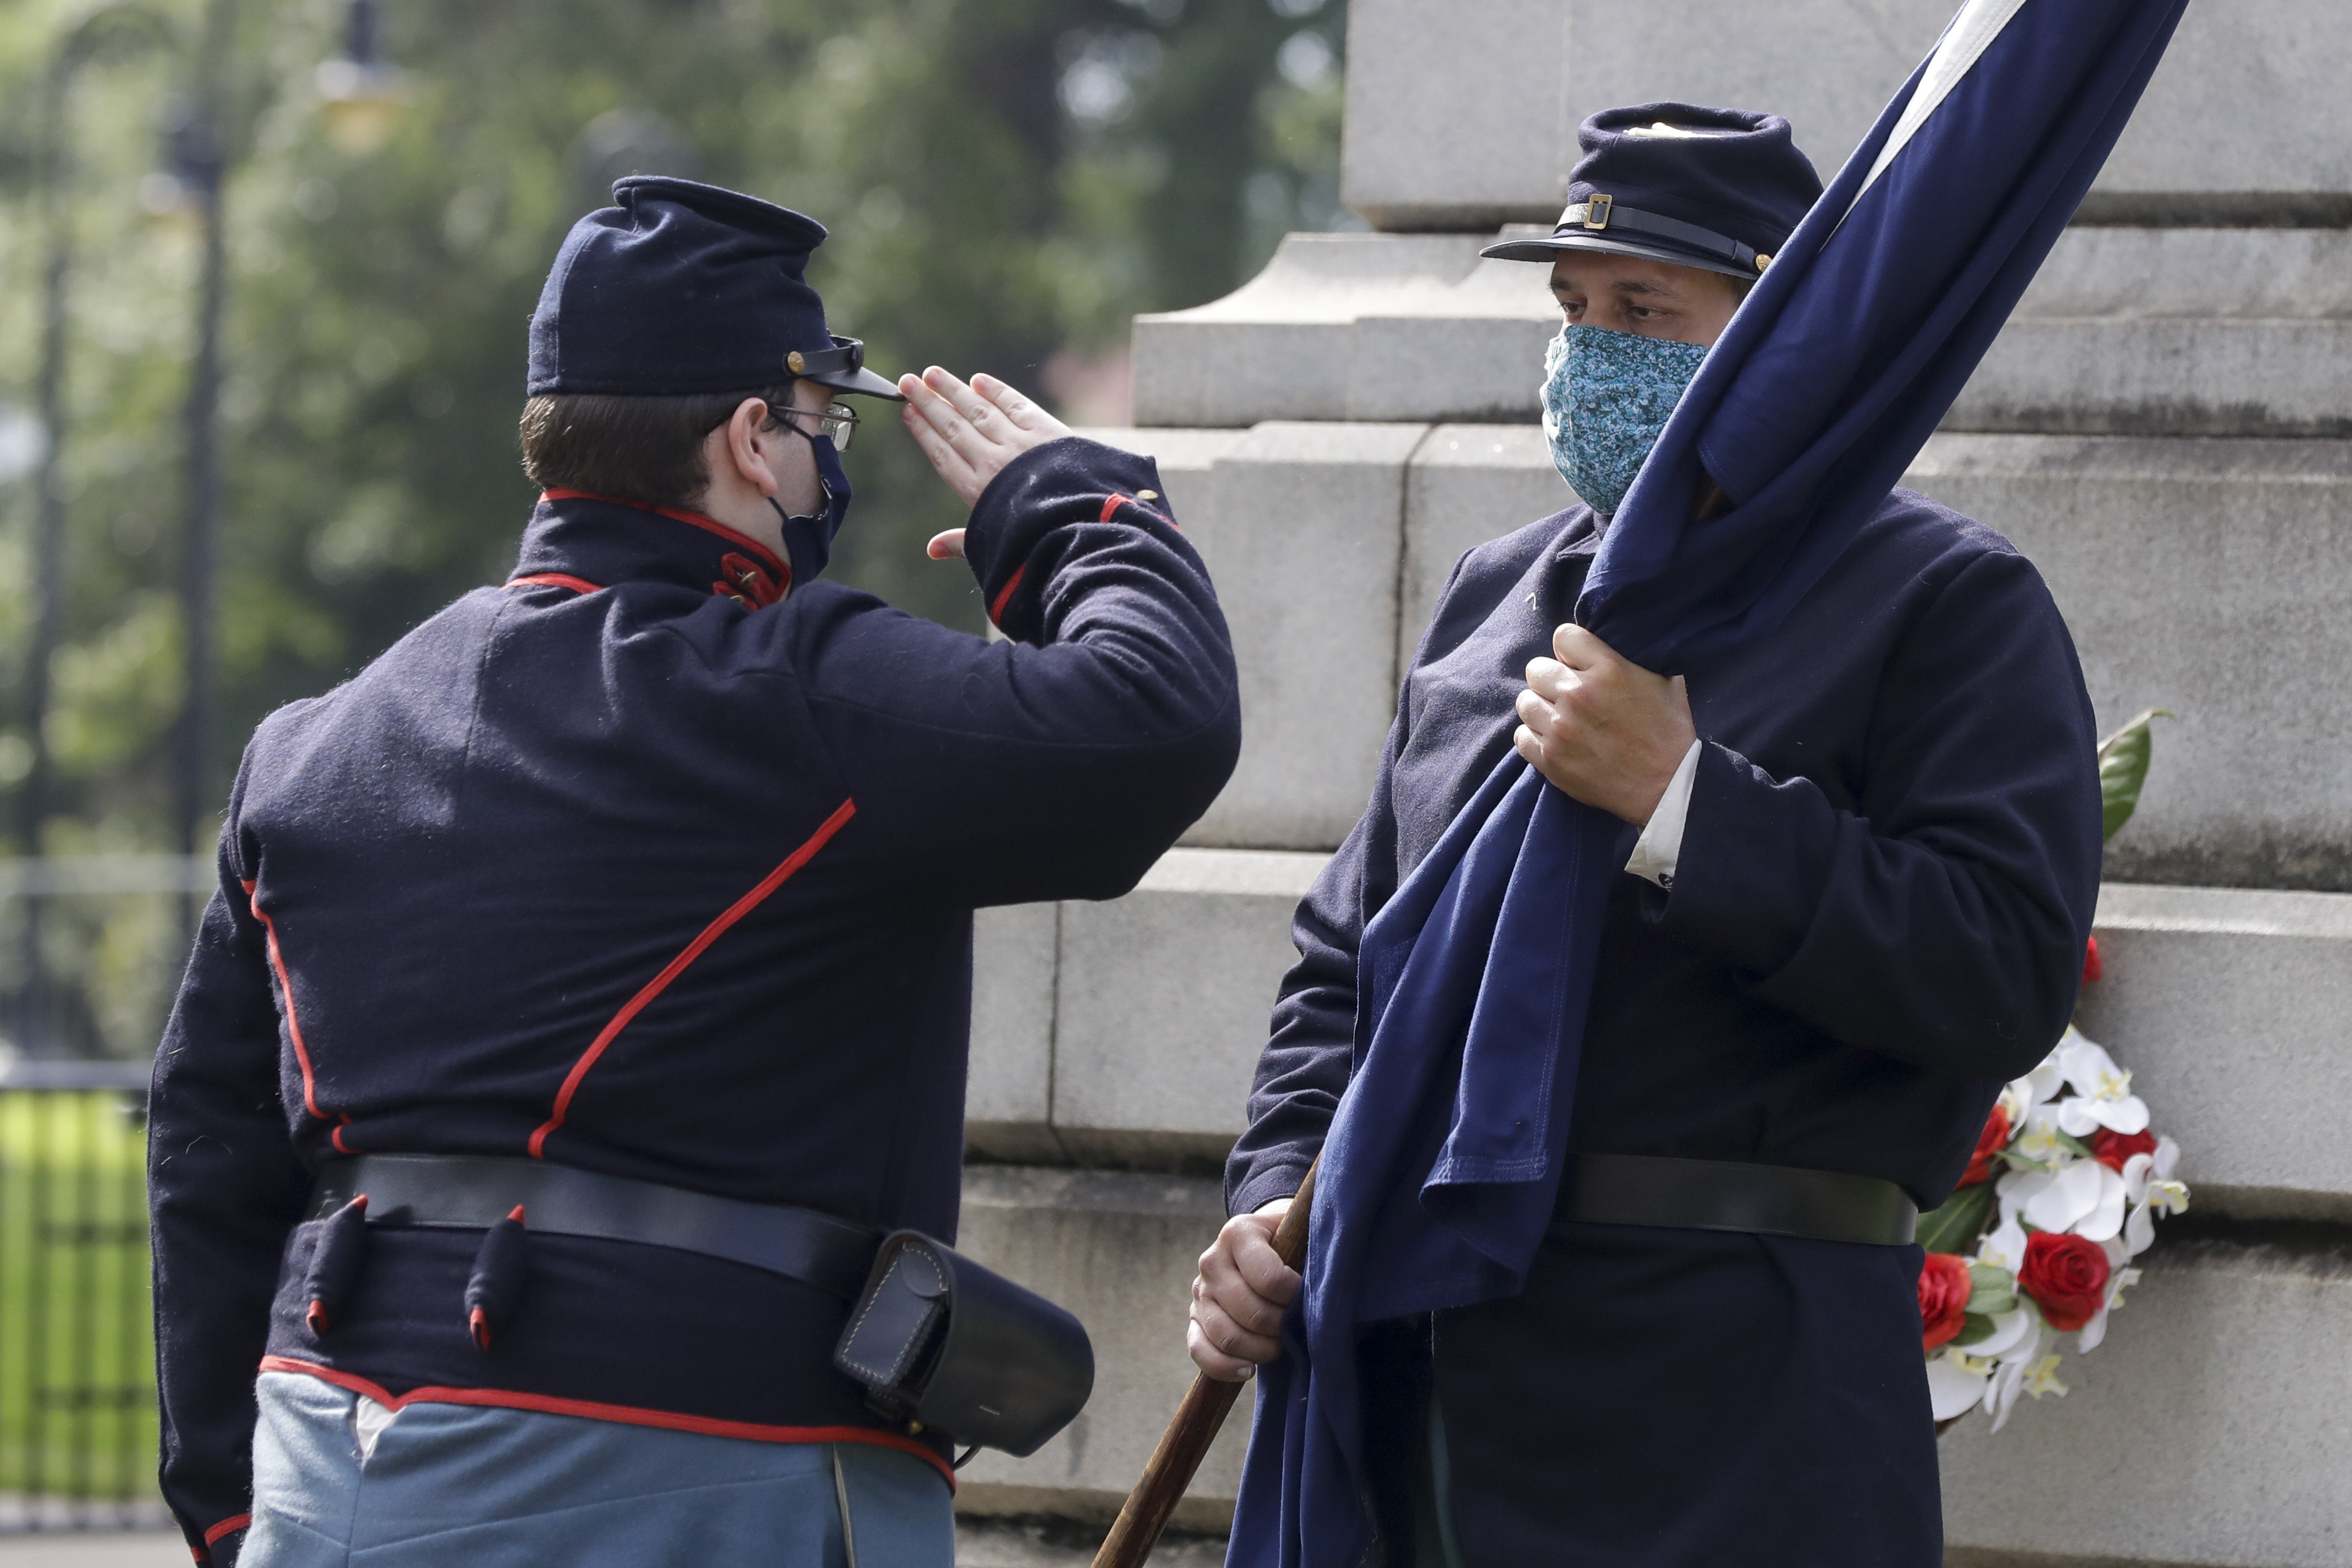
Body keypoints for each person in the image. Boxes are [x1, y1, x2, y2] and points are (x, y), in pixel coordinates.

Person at [148, 176, 1240, 1568]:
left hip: (322, 1463)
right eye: (823, 426)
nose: (826, 463)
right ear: (747, 435)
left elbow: (207, 1149)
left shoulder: (308, 743)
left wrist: (234, 1515)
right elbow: (1158, 719)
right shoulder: (798, 694)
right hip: (703, 1465)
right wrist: (1071, 505)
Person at [1189, 105, 2102, 1564]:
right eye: (1569, 309)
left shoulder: (1939, 600)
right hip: (1432, 1387)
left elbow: (1999, 966)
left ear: (1780, 336)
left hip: (1732, 1396)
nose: (1588, 351)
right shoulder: (1500, 593)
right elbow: (1344, 965)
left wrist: (1687, 805)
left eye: (1642, 309)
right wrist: (1268, 1201)